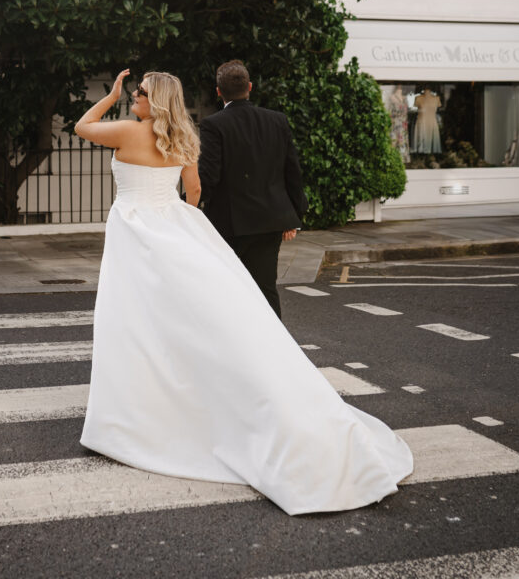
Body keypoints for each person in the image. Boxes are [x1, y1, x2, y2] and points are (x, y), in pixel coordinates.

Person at [77, 67, 413, 516]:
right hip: (173, 228)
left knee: (133, 322)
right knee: (212, 312)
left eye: (139, 91)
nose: (133, 96)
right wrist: (175, 224)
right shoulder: (183, 138)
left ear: (153, 99)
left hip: (135, 235)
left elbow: (82, 126)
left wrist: (110, 94)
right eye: (132, 90)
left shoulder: (127, 131)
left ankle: (138, 413)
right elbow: (193, 191)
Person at [198, 59, 308, 318]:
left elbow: (209, 177)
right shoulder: (277, 120)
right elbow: (292, 171)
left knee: (226, 289)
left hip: (228, 223)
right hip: (270, 221)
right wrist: (294, 216)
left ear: (218, 91)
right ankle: (273, 341)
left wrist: (186, 205)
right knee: (266, 289)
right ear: (250, 87)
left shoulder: (214, 124)